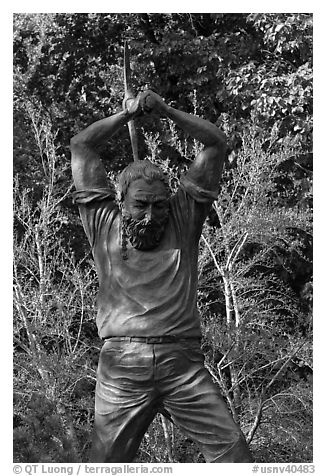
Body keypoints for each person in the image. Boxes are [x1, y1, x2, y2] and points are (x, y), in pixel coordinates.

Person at [70, 89, 253, 463]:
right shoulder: (103, 222)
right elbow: (81, 145)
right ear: (120, 201)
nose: (151, 216)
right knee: (105, 465)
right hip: (122, 366)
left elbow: (216, 143)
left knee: (234, 456)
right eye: (140, 205)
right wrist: (126, 115)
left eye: (158, 205)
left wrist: (166, 110)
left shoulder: (183, 217)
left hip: (181, 364)